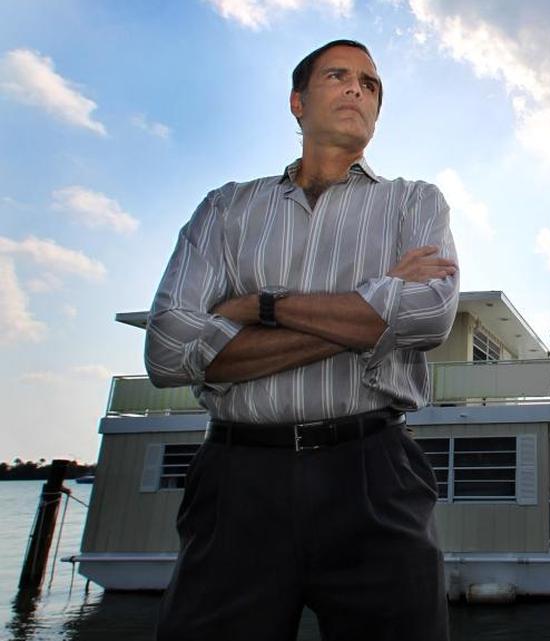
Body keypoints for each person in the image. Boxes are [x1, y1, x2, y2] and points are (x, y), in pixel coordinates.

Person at [145, 39, 458, 641]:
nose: (357, 88)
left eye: (370, 83)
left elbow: (426, 319)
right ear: (297, 102)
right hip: (237, 479)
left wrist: (261, 308)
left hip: (372, 472)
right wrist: (373, 308)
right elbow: (168, 351)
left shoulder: (414, 202)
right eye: (338, 75)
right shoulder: (226, 209)